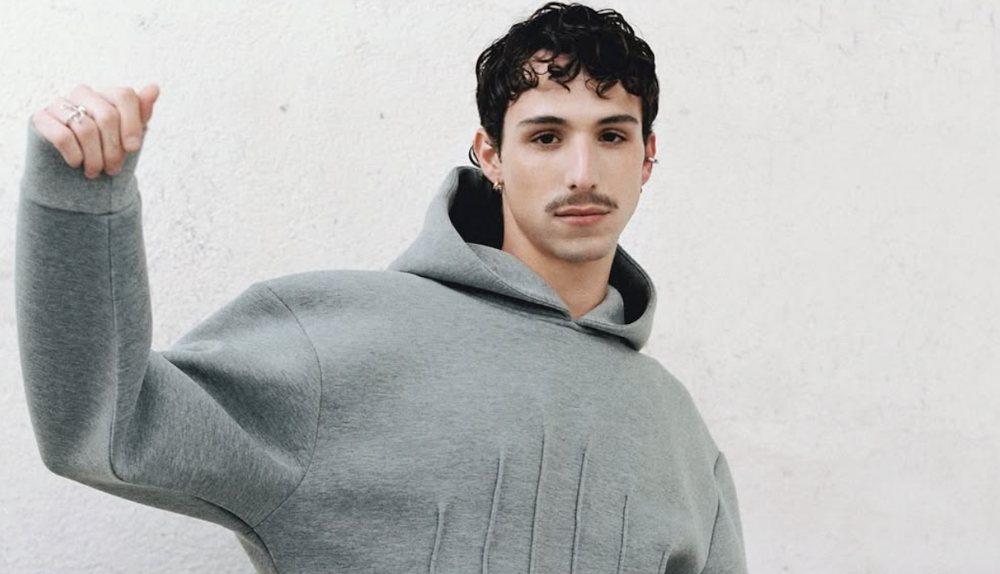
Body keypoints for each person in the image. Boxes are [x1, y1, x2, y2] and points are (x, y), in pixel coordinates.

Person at [16, 3, 747, 573]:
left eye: (612, 136)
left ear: (647, 158)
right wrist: (77, 199)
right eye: (546, 136)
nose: (582, 173)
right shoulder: (335, 339)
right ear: (491, 155)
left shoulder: (679, 434)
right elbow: (106, 428)